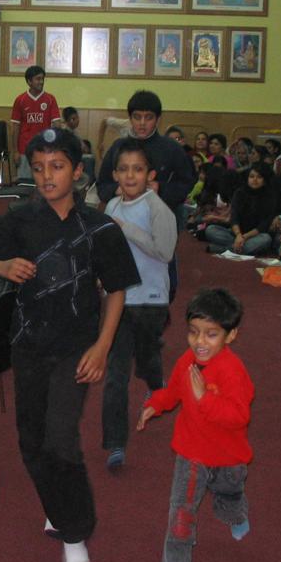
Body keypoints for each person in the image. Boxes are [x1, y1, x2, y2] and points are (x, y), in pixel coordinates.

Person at [0, 127, 140, 562]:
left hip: (76, 349)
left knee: (60, 440)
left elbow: (117, 291)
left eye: (57, 166)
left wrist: (101, 347)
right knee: (30, 442)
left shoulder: (99, 227)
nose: (47, 176)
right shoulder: (20, 220)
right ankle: (56, 506)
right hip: (28, 346)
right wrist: (1, 266)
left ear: (78, 172)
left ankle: (75, 533)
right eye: (38, 167)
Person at [136, 288, 253, 562]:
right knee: (181, 518)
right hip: (191, 455)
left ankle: (235, 512)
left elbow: (238, 416)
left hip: (228, 458)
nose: (200, 342)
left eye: (211, 334)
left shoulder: (233, 372)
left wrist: (205, 399)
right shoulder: (188, 361)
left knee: (228, 493)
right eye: (193, 332)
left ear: (230, 336)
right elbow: (173, 391)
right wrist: (156, 405)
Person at [101, 141, 177, 469]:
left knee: (147, 359)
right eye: (124, 169)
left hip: (151, 301)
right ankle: (116, 443)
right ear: (115, 174)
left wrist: (127, 230)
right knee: (115, 374)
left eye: (138, 169)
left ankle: (156, 387)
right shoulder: (111, 207)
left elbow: (165, 252)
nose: (131, 175)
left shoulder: (157, 208)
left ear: (150, 174)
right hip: (120, 301)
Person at [97, 91, 195, 293]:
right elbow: (102, 184)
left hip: (160, 216)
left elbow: (187, 180)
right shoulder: (118, 147)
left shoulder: (171, 148)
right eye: (137, 117)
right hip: (125, 216)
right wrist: (118, 188)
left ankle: (161, 303)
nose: (142, 123)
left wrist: (162, 190)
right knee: (124, 265)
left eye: (148, 118)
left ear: (158, 119)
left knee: (162, 264)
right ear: (130, 117)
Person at [203, 164, 278, 256]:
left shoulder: (270, 197)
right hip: (236, 233)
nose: (254, 180)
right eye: (251, 176)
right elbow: (234, 217)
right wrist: (238, 235)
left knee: (266, 239)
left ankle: (223, 249)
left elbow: (264, 225)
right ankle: (240, 248)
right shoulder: (240, 193)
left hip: (254, 235)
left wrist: (244, 237)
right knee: (211, 229)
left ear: (265, 180)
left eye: (259, 177)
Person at [10, 65, 62, 181]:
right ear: (29, 81)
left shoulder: (50, 99)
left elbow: (56, 124)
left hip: (44, 149)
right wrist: (15, 151)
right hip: (24, 149)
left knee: (43, 182)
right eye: (38, 79)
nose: (41, 82)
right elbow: (15, 127)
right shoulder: (20, 100)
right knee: (24, 183)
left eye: (42, 79)